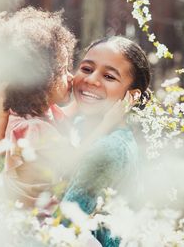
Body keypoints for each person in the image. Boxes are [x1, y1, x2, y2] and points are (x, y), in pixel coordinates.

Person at [63, 36, 151, 246]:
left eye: (109, 76)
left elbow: (63, 225)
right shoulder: (81, 124)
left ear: (133, 97)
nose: (92, 80)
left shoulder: (111, 150)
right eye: (86, 69)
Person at [0, 6, 77, 209]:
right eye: (63, 70)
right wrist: (106, 123)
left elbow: (65, 116)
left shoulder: (26, 113)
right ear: (41, 79)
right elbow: (78, 160)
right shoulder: (34, 129)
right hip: (42, 222)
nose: (71, 77)